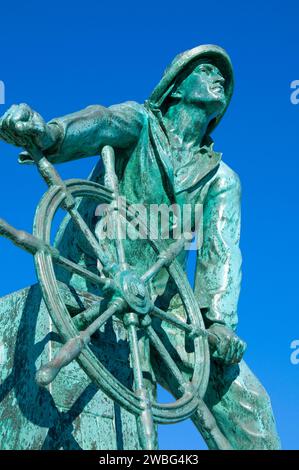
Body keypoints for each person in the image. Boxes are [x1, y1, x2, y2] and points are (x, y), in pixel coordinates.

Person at [0, 44, 281, 449]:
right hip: (91, 275)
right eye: (206, 70)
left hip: (164, 305)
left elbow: (221, 250)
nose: (220, 79)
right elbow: (99, 121)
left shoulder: (221, 179)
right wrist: (50, 134)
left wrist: (217, 322)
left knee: (249, 404)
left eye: (225, 79)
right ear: (176, 87)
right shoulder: (141, 123)